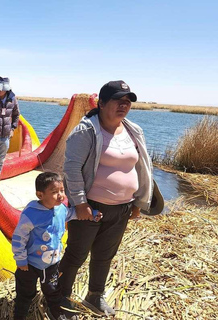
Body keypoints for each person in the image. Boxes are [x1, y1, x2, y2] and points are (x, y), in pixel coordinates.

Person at [59, 80, 162, 317]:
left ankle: (95, 295)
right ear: (102, 103)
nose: (123, 106)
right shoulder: (86, 131)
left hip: (122, 209)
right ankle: (59, 297)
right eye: (118, 101)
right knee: (76, 254)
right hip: (90, 208)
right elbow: (72, 169)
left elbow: (141, 167)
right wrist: (81, 203)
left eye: (127, 102)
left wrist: (138, 202)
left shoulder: (133, 130)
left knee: (105, 256)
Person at [12, 172, 102, 320]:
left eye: (61, 190)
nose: (60, 195)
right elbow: (19, 238)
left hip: (51, 263)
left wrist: (91, 214)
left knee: (53, 290)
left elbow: (72, 214)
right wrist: (21, 260)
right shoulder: (31, 214)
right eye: (54, 192)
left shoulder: (60, 209)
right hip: (30, 264)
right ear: (40, 195)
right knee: (25, 292)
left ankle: (57, 312)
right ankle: (20, 315)